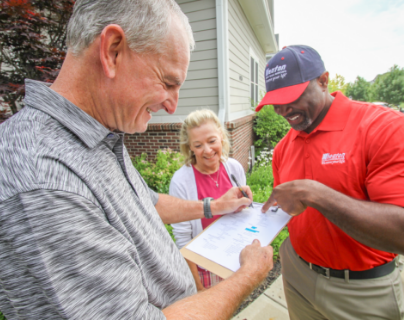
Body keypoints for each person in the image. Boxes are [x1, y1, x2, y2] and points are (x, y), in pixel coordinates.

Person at [0, 1, 274, 319]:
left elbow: (147, 203)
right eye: (168, 83)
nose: (173, 106)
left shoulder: (98, 132)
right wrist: (246, 277)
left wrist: (214, 207)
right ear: (113, 51)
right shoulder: (44, 178)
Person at [256, 44, 404, 320]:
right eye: (276, 101)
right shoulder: (283, 149)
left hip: (362, 291)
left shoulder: (382, 128)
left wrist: (316, 194)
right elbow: (287, 212)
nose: (283, 110)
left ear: (323, 81)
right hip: (298, 273)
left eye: (292, 96)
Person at [170, 109, 247, 291]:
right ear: (189, 146)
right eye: (198, 145)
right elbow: (183, 239)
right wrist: (197, 286)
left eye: (212, 141)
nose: (207, 150)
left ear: (221, 136)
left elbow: (241, 216)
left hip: (233, 258)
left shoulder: (234, 169)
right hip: (204, 267)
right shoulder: (181, 181)